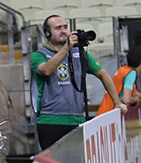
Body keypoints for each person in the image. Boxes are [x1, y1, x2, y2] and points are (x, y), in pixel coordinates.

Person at [31, 14, 126, 150]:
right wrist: (66, 48)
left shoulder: (79, 53)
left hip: (76, 119)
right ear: (47, 33)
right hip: (50, 120)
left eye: (65, 27)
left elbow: (103, 74)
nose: (63, 31)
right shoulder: (39, 55)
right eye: (58, 28)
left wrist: (117, 103)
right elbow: (46, 70)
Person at [97, 45, 141, 115]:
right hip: (110, 112)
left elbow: (132, 91)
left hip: (105, 110)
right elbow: (126, 99)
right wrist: (136, 100)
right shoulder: (131, 73)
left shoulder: (124, 70)